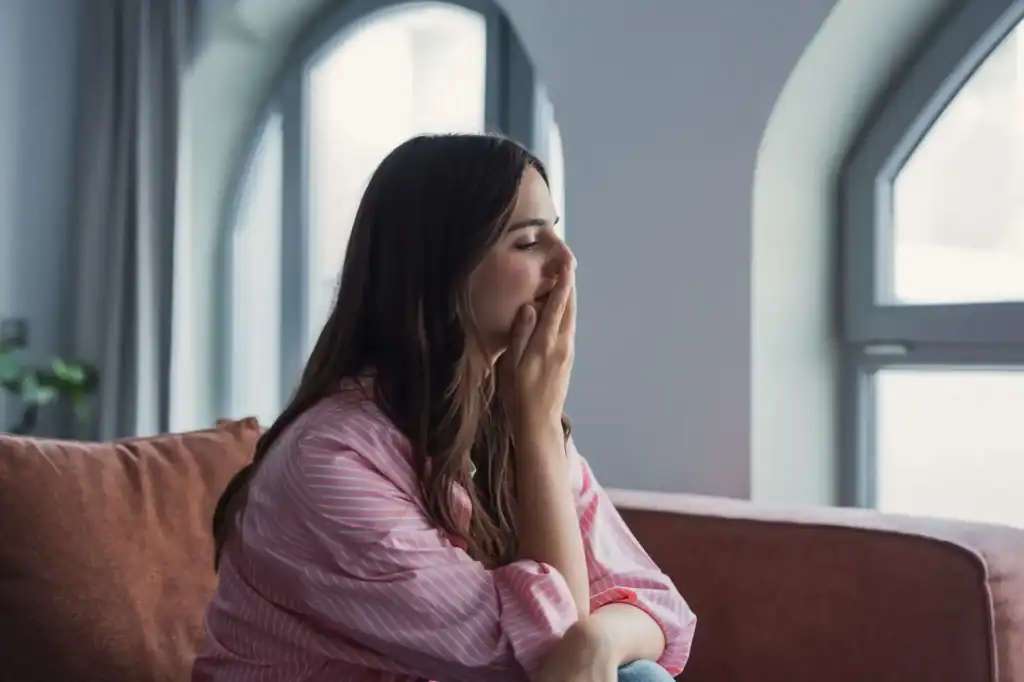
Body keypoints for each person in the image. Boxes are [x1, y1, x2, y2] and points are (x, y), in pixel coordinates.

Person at [192, 134, 697, 682]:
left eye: (556, 230)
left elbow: (657, 605)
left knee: (637, 674)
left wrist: (599, 639)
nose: (565, 260)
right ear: (442, 269)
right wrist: (538, 427)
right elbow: (535, 653)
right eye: (529, 242)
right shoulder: (329, 464)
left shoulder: (503, 417)